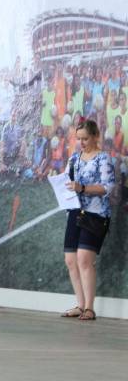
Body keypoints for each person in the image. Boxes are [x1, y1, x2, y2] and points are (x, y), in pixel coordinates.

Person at [61, 119, 115, 321]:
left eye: (85, 138)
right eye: (79, 139)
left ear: (95, 136)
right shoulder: (74, 159)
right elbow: (67, 183)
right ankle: (80, 305)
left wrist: (82, 188)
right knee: (70, 260)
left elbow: (107, 188)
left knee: (84, 260)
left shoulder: (103, 159)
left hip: (96, 214)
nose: (81, 142)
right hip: (75, 212)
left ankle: (90, 308)